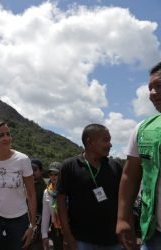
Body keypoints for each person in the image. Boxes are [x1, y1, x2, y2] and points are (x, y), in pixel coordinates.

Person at [117, 61, 161, 250]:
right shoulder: (142, 130)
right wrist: (122, 218)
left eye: (159, 86)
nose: (151, 93)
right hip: (154, 235)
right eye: (150, 88)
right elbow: (130, 175)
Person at [57, 123, 122, 250]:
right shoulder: (69, 166)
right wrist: (67, 235)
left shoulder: (115, 166)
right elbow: (61, 203)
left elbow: (124, 201)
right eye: (106, 140)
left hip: (112, 240)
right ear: (90, 142)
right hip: (81, 240)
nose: (110, 144)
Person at [0, 120, 37, 250]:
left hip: (18, 218)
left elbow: (31, 194)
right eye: (1, 135)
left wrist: (32, 225)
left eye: (8, 134)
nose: (7, 138)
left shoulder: (23, 160)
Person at [41, 162, 63, 250]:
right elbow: (45, 215)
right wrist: (44, 235)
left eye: (56, 174)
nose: (53, 177)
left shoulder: (68, 189)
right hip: (56, 229)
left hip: (69, 228)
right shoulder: (47, 192)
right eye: (51, 174)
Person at [28, 159, 46, 250]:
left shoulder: (45, 187)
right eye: (30, 170)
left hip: (39, 223)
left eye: (35, 170)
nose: (32, 172)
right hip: (25, 221)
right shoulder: (26, 183)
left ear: (41, 171)